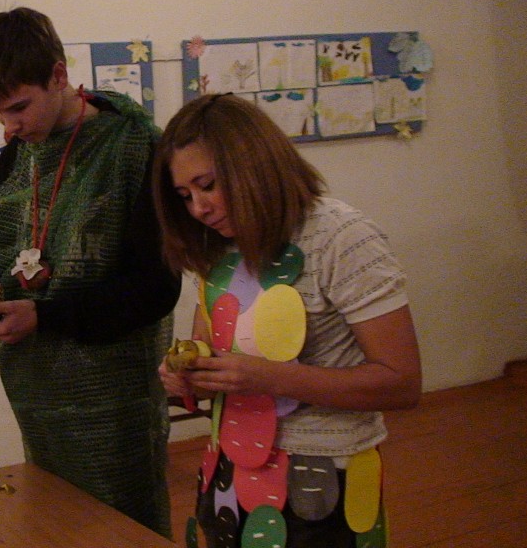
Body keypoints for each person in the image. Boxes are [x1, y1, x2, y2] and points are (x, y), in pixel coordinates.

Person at [0, 7, 182, 537]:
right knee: (60, 521)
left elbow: (155, 289)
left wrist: (43, 316)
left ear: (58, 75)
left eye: (18, 108)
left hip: (116, 390)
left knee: (124, 524)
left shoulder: (136, 147)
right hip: (39, 384)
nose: (9, 127)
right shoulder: (24, 148)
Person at [151, 93, 422, 548]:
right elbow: (213, 358)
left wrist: (268, 377)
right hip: (229, 470)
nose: (198, 208)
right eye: (185, 196)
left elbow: (402, 383)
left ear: (254, 165)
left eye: (209, 185)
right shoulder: (218, 246)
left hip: (321, 478)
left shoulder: (342, 237)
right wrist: (189, 376)